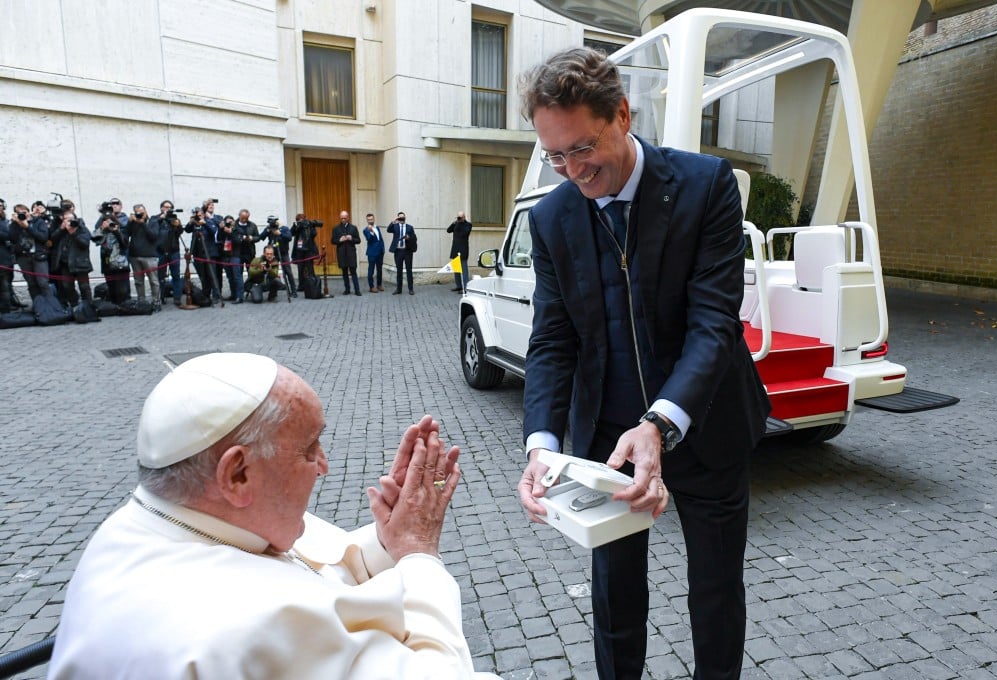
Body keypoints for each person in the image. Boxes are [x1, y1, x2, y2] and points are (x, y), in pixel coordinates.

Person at [515, 48, 771, 680]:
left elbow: (715, 324)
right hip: (607, 442)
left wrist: (659, 423)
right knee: (615, 598)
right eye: (555, 155)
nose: (571, 170)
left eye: (582, 148)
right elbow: (552, 339)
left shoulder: (706, 184)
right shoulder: (550, 218)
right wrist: (541, 446)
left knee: (715, 593)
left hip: (707, 424)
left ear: (623, 115)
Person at [47, 353, 499, 679]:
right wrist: (419, 554)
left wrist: (388, 542)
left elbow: (303, 565)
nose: (324, 466)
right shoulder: (245, 627)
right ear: (237, 474)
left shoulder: (153, 521)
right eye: (309, 449)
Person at [48, 209, 94, 307]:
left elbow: (85, 243)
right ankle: (74, 305)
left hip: (80, 262)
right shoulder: (62, 230)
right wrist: (61, 229)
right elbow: (52, 240)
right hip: (65, 263)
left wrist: (73, 233)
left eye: (71, 219)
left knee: (84, 286)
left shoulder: (82, 228)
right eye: (66, 219)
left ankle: (89, 306)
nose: (69, 222)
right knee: (67, 286)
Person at [126, 203, 162, 309]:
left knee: (154, 280)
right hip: (135, 255)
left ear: (146, 211)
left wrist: (143, 224)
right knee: (138, 281)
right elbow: (126, 234)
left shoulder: (153, 222)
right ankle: (141, 301)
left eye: (142, 212)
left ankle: (156, 302)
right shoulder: (133, 223)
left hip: (149, 256)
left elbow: (153, 236)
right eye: (138, 213)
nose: (140, 215)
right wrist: (130, 222)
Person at [93, 212, 131, 304]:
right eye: (107, 222)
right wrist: (102, 228)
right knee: (111, 287)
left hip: (120, 264)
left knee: (122, 289)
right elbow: (95, 239)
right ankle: (114, 306)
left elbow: (125, 244)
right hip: (107, 264)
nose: (109, 224)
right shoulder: (102, 232)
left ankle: (124, 304)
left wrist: (116, 231)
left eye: (111, 222)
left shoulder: (121, 230)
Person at [157, 200, 185, 306]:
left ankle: (177, 297)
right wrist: (161, 218)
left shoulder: (174, 219)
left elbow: (180, 233)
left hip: (174, 251)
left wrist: (177, 225)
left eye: (170, 207)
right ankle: (162, 296)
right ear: (161, 208)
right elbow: (153, 230)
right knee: (161, 276)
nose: (168, 209)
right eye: (166, 207)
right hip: (160, 251)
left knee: (176, 275)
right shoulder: (156, 218)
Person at [260, 215, 297, 296]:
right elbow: (261, 237)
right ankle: (273, 292)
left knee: (288, 272)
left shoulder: (284, 228)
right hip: (273, 254)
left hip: (283, 253)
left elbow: (289, 237)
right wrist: (267, 230)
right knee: (271, 271)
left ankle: (293, 291)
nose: (272, 224)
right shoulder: (268, 229)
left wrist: (280, 233)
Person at [330, 210, 362, 296]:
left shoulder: (353, 228)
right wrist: (339, 240)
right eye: (341, 218)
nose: (343, 220)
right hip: (341, 253)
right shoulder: (336, 228)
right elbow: (332, 241)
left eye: (344, 218)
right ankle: (347, 289)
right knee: (344, 272)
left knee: (353, 271)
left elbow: (358, 240)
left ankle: (357, 290)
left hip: (351, 253)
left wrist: (351, 238)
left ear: (348, 218)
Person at [387, 211, 416, 295]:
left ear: (405, 218)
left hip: (407, 251)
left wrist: (409, 237)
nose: (402, 219)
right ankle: (398, 289)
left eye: (403, 217)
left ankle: (411, 289)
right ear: (398, 218)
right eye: (400, 217)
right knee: (399, 271)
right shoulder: (395, 226)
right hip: (398, 251)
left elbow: (414, 238)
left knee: (409, 270)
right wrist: (393, 221)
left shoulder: (410, 227)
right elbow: (388, 230)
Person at [217, 215, 244, 303]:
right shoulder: (223, 230)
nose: (229, 223)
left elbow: (238, 241)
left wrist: (231, 232)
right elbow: (218, 239)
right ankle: (233, 294)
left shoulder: (238, 230)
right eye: (227, 222)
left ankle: (240, 297)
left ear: (234, 222)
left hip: (235, 255)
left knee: (237, 277)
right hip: (225, 256)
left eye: (230, 222)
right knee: (230, 277)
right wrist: (221, 229)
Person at [291, 214, 320, 290]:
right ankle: (301, 285)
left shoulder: (308, 225)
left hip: (308, 249)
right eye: (299, 220)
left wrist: (309, 226)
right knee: (300, 268)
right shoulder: (297, 226)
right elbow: (292, 233)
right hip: (299, 250)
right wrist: (296, 226)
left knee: (310, 267)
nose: (301, 222)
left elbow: (314, 234)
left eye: (301, 220)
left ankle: (312, 284)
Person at [446, 211, 472, 292]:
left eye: (460, 217)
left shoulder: (468, 225)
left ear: (464, 217)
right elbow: (448, 230)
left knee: (464, 270)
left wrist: (459, 223)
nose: (459, 218)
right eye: (458, 217)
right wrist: (454, 223)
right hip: (455, 249)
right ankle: (459, 286)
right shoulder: (456, 224)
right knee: (456, 269)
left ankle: (465, 287)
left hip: (463, 250)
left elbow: (464, 233)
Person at [362, 213, 385, 293]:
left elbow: (380, 239)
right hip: (372, 253)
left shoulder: (377, 227)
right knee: (371, 271)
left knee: (379, 270)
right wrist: (371, 231)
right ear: (367, 220)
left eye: (371, 219)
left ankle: (379, 285)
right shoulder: (365, 230)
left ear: (374, 219)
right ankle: (371, 287)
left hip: (380, 252)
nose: (370, 221)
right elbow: (369, 239)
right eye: (368, 220)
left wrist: (383, 249)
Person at [235, 209, 261, 276]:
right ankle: (240, 286)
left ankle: (249, 286)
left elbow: (258, 237)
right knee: (238, 273)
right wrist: (241, 238)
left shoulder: (252, 225)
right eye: (242, 218)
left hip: (249, 252)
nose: (244, 220)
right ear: (239, 216)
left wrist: (252, 238)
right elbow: (232, 236)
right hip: (238, 253)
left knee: (251, 272)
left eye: (246, 218)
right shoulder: (234, 225)